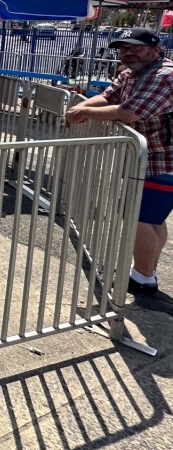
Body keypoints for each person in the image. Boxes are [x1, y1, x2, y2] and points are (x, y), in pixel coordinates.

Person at [67, 28, 173, 295]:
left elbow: (129, 113)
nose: (128, 53)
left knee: (137, 216)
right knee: (151, 218)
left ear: (156, 50)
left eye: (136, 47)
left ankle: (143, 278)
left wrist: (83, 112)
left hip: (164, 160)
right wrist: (81, 109)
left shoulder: (164, 76)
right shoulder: (132, 74)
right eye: (124, 48)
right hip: (150, 158)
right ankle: (145, 272)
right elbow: (108, 97)